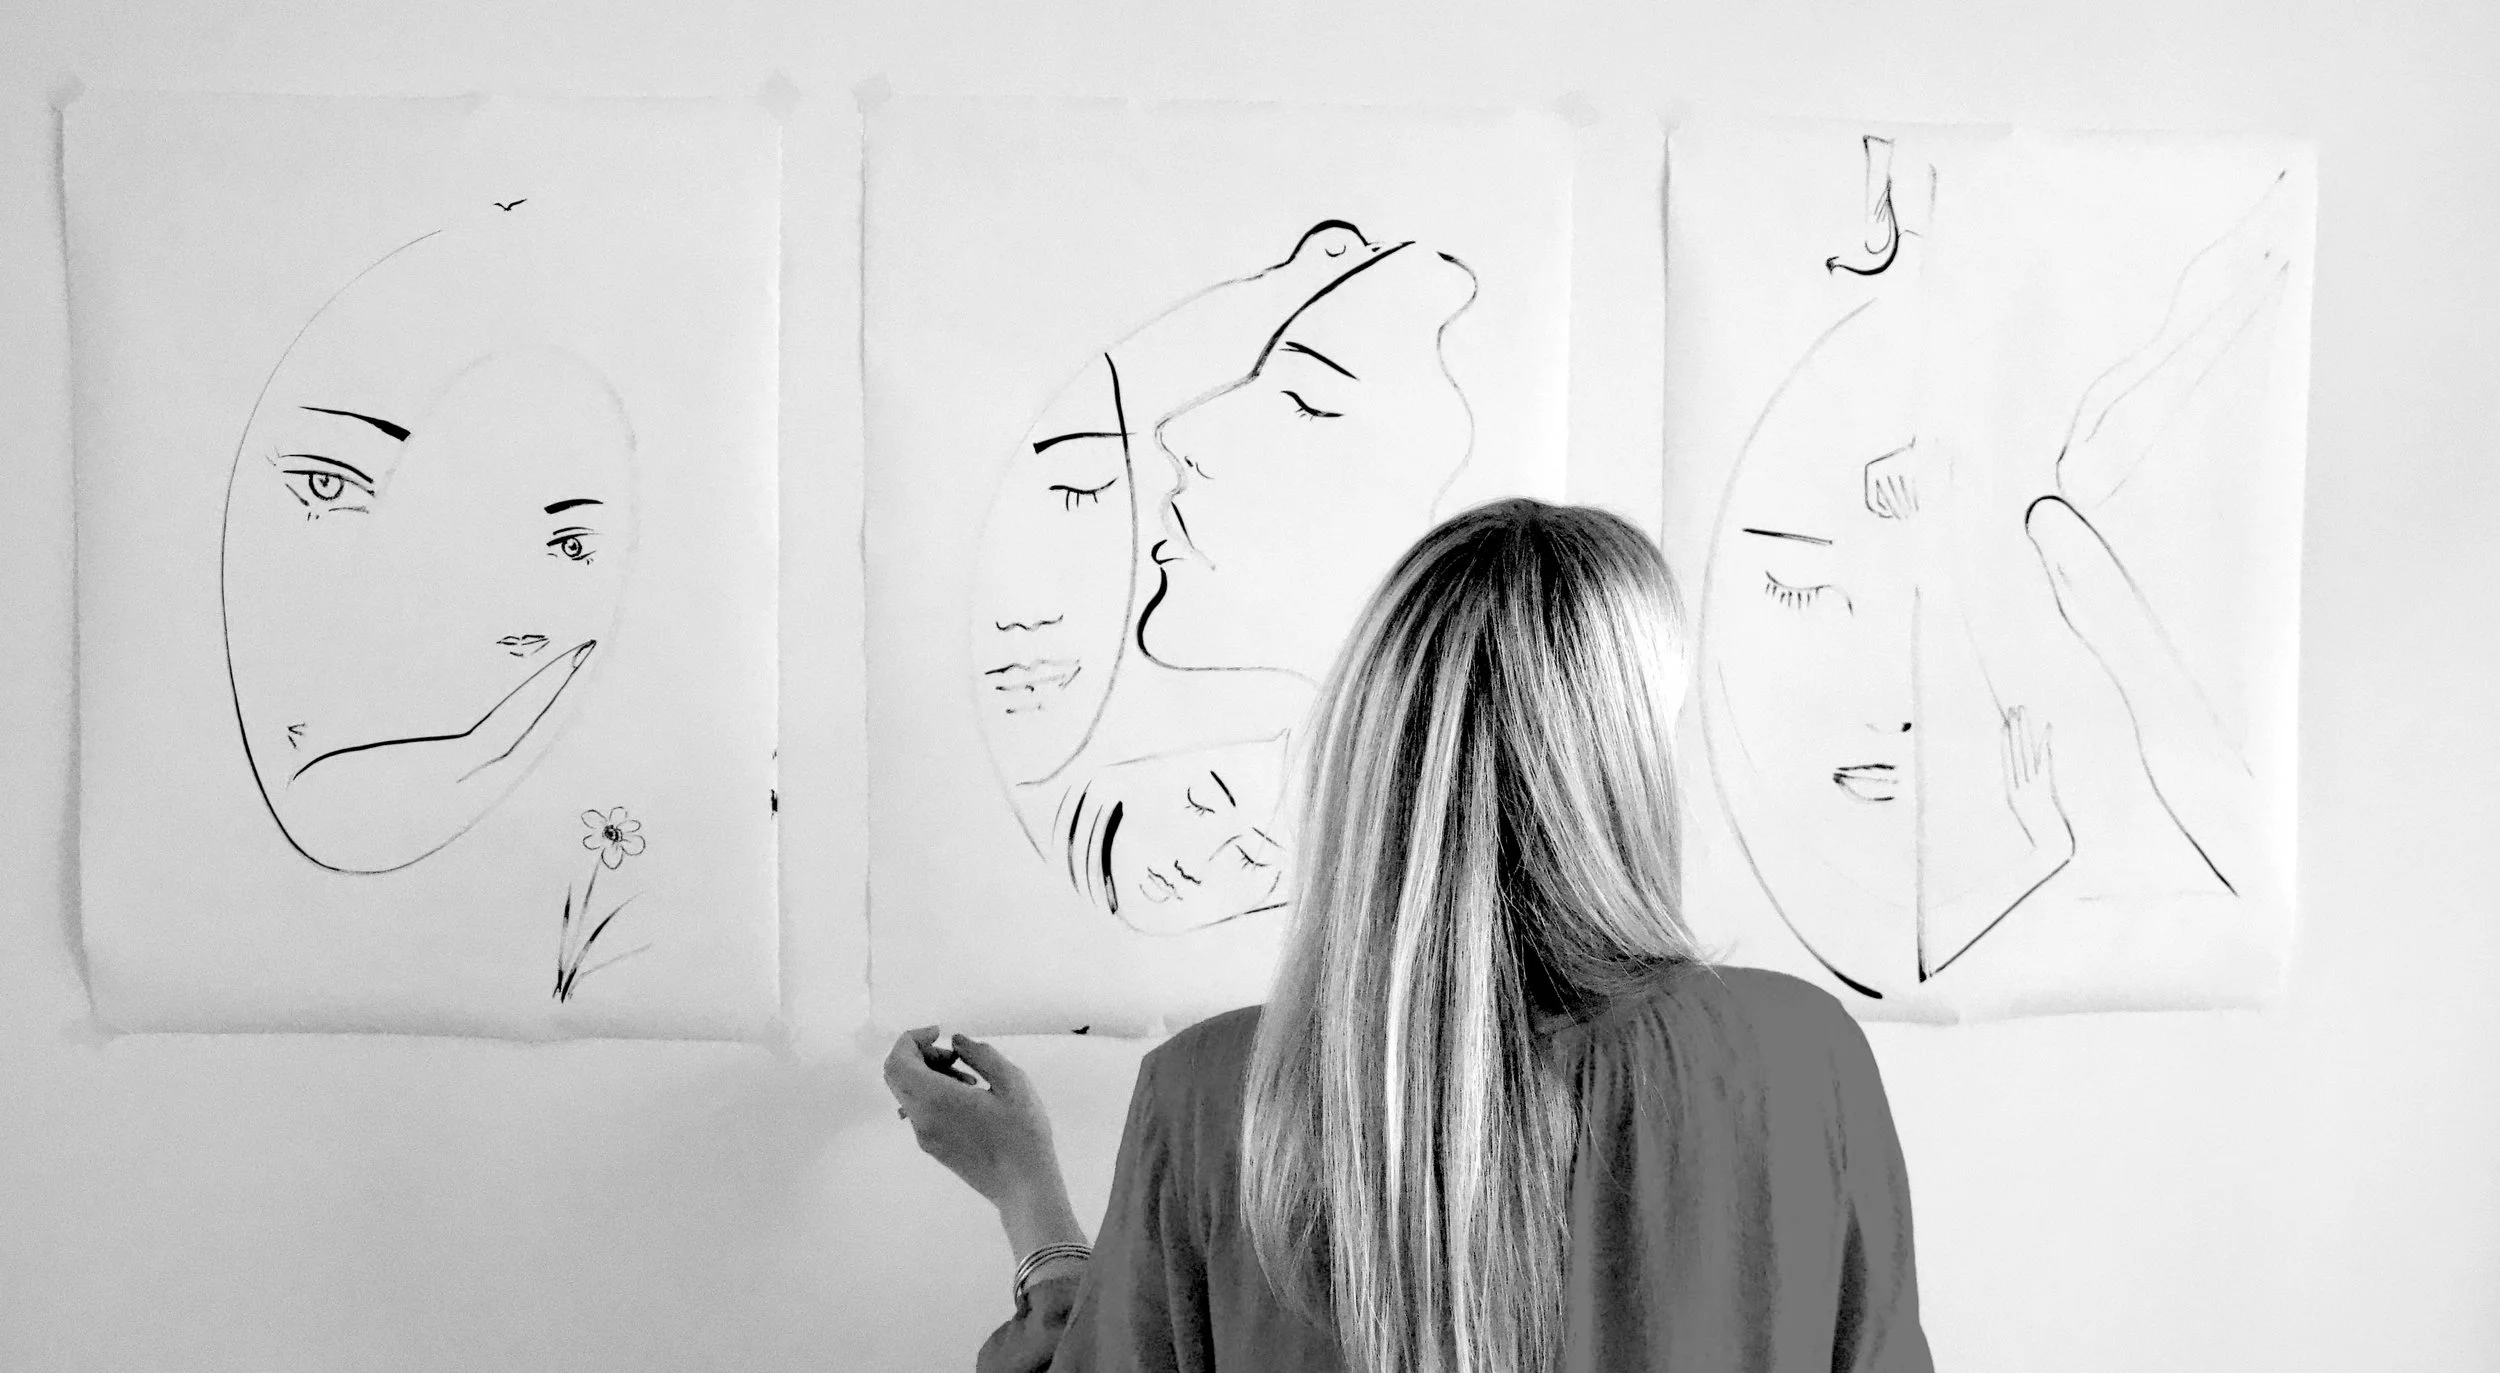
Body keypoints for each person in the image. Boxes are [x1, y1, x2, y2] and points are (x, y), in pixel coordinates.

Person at [888, 499, 1932, 1372]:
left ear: (1366, 750)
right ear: (1627, 762)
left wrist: (1032, 1207)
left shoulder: (1212, 1095)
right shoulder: (1800, 1059)